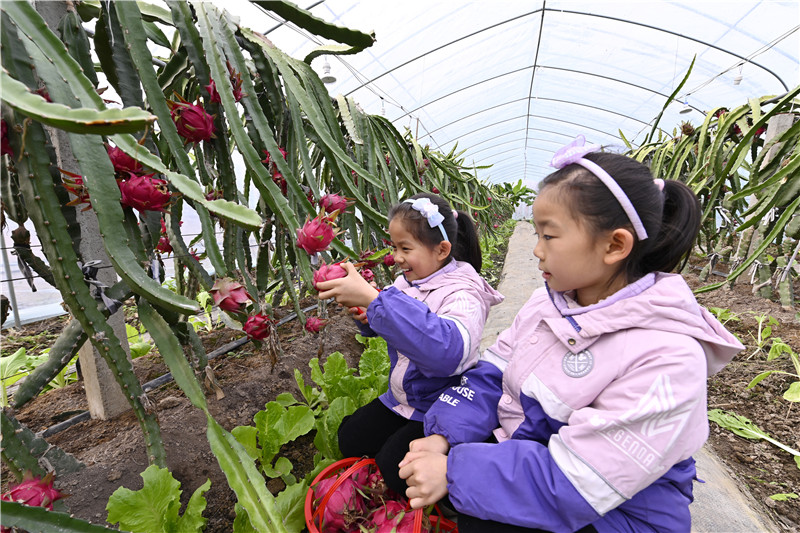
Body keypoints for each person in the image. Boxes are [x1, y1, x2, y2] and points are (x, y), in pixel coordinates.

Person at [397, 136, 744, 533]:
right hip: (542, 450)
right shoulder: (552, 303)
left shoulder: (668, 356)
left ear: (615, 245)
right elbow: (493, 371)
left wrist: (455, 471)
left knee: (482, 520)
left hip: (621, 512)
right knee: (410, 467)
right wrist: (446, 435)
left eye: (549, 235)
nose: (536, 250)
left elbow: (580, 481)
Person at [316, 192, 504, 494]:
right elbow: (393, 323)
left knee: (395, 468)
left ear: (441, 250)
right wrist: (368, 315)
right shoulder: (408, 281)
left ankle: (464, 450)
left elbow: (447, 352)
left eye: (405, 248)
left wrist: (376, 300)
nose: (397, 257)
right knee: (350, 438)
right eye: (394, 247)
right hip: (402, 398)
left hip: (441, 405)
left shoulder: (464, 295)